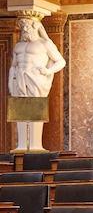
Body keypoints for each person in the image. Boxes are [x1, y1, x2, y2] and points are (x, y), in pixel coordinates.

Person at [8, 17, 67, 151]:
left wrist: (47, 71)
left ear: (36, 28)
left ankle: (35, 145)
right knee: (20, 112)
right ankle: (21, 145)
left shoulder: (45, 44)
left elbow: (60, 62)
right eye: (23, 28)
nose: (25, 30)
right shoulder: (18, 45)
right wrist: (10, 83)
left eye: (27, 27)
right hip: (19, 80)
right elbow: (13, 66)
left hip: (35, 80)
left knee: (35, 111)